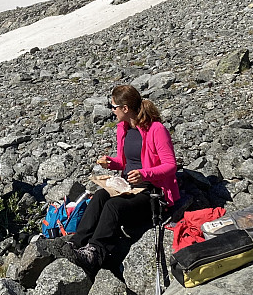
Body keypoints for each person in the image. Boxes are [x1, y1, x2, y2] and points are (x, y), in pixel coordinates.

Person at [70, 85, 179, 272]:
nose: (112, 111)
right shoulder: (123, 128)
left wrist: (145, 174)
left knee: (113, 206)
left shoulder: (156, 129)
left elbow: (171, 165)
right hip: (128, 186)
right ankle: (76, 243)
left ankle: (95, 251)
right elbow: (123, 161)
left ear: (125, 108)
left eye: (114, 107)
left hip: (152, 193)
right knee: (100, 196)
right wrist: (110, 163)